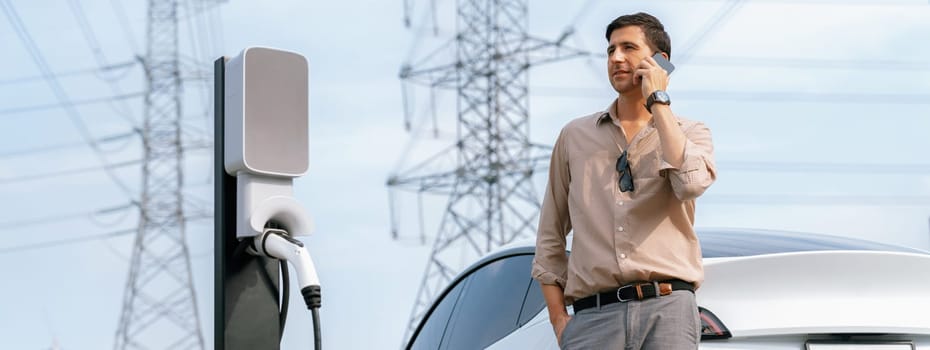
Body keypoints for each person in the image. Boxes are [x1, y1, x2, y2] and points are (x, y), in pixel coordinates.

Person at [531, 12, 717, 350]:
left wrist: (658, 100)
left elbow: (690, 185)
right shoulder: (574, 136)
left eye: (628, 48)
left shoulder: (690, 133)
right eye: (610, 49)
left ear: (661, 62)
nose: (616, 58)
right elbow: (550, 236)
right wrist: (560, 321)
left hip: (668, 312)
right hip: (593, 321)